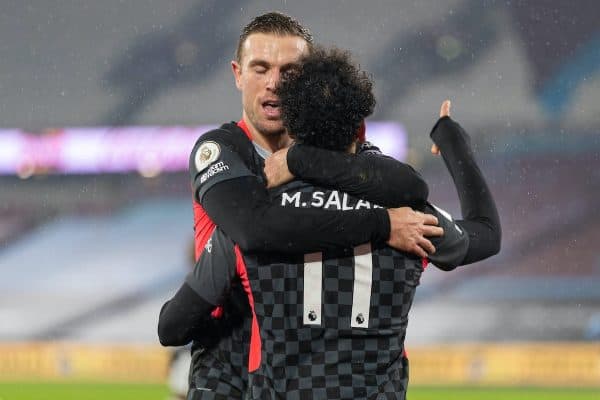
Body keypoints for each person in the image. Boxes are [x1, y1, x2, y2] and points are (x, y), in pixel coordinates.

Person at [160, 47, 500, 399]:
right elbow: (487, 234)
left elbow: (172, 326)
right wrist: (456, 147)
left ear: (290, 128)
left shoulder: (253, 215)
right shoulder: (408, 217)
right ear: (360, 129)